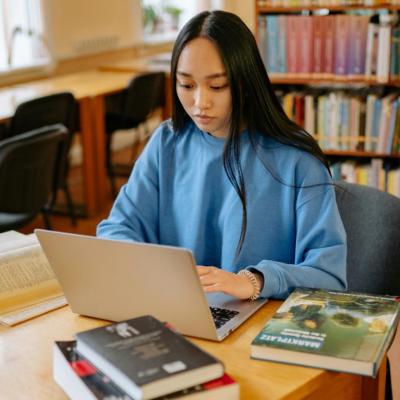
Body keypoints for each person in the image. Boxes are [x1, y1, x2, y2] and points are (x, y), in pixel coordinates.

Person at [97, 10, 347, 301]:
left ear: (245, 83)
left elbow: (329, 275)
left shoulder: (297, 159)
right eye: (187, 85)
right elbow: (117, 228)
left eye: (217, 86)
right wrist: (147, 267)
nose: (200, 102)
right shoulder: (166, 141)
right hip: (178, 310)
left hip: (258, 321)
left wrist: (255, 281)